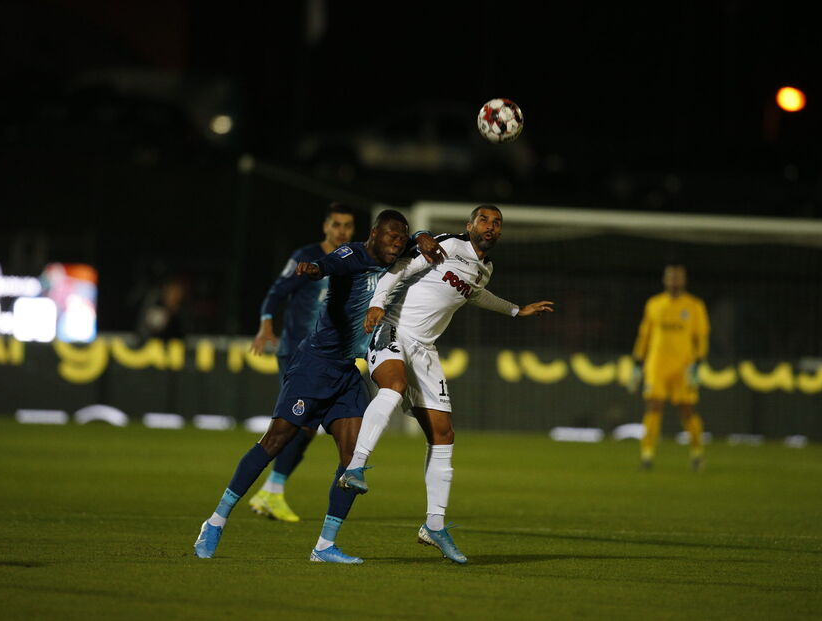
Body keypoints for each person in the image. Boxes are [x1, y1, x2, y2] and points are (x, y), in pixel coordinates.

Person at [194, 210, 445, 563]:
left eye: (400, 239)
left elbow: (422, 239)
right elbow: (327, 264)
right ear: (373, 234)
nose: (395, 243)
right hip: (315, 365)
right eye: (390, 236)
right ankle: (215, 522)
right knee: (276, 440)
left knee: (352, 460)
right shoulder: (352, 256)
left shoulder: (400, 255)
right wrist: (314, 270)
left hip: (347, 373)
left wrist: (422, 235)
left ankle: (325, 545)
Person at [338, 205, 555, 564]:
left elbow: (474, 294)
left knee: (443, 434)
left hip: (424, 348)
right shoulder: (449, 245)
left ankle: (434, 526)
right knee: (391, 387)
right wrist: (377, 305)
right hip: (393, 327)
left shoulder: (485, 268)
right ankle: (355, 467)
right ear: (469, 225)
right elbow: (399, 269)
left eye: (496, 222)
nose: (490, 226)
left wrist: (517, 310)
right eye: (484, 219)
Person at [246, 202, 356, 522]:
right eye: (336, 224)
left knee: (305, 429)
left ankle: (271, 491)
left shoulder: (353, 260)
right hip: (296, 352)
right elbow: (277, 291)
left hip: (326, 357)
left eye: (347, 226)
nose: (342, 231)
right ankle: (268, 491)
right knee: (297, 424)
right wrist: (266, 323)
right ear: (325, 226)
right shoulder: (306, 256)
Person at [627, 264, 710, 471]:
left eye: (678, 278)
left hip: (684, 365)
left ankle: (697, 453)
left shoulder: (694, 305)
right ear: (665, 280)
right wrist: (638, 362)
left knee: (687, 410)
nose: (674, 281)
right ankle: (647, 455)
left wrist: (698, 363)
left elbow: (701, 336)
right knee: (654, 406)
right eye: (671, 277)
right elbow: (645, 334)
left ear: (684, 281)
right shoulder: (654, 304)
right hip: (657, 365)